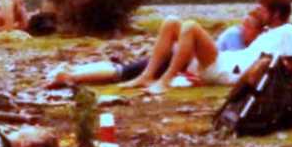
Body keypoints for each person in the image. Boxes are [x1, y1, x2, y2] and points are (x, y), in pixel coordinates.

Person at [125, 0, 292, 95]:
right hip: (225, 61)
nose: (258, 13)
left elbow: (291, 66)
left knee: (191, 26)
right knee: (171, 22)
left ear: (275, 14)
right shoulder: (271, 32)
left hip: (225, 70)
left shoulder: (288, 32)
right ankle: (146, 76)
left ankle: (165, 81)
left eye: (262, 10)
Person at [47, 9, 260, 89]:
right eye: (244, 23)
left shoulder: (253, 45)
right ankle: (73, 76)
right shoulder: (234, 36)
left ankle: (73, 75)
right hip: (190, 60)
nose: (243, 28)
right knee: (125, 71)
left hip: (190, 60)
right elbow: (213, 58)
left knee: (125, 70)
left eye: (248, 26)